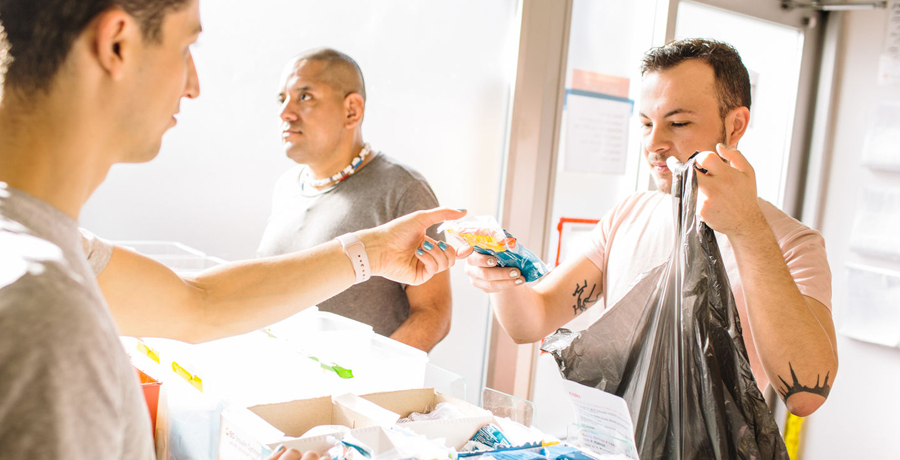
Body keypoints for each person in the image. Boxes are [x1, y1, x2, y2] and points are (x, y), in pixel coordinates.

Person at [0, 1, 463, 459]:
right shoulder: (43, 315)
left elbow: (198, 302)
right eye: (187, 47)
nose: (193, 85)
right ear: (116, 44)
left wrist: (368, 251)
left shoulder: (45, 250)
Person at [464, 38, 838, 418]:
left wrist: (748, 231)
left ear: (736, 124)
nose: (654, 144)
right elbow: (533, 320)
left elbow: (806, 394)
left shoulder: (791, 243)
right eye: (645, 123)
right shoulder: (630, 215)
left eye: (678, 123)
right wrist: (502, 275)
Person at [257, 49, 451, 352]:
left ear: (352, 110)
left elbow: (434, 314)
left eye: (304, 97)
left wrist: (365, 383)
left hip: (353, 394)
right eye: (282, 99)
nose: (285, 113)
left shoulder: (403, 189)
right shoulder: (286, 187)